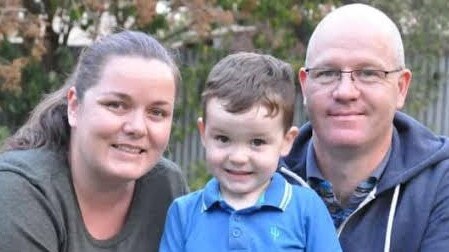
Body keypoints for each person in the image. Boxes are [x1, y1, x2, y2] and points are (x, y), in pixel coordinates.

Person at [278, 3, 449, 252]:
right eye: (328, 73)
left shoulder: (440, 185)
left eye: (368, 73)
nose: (345, 92)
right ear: (305, 87)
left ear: (401, 88)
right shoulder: (261, 175)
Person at [0, 30, 188, 251]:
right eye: (116, 105)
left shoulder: (166, 186)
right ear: (74, 106)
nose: (137, 127)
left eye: (157, 112)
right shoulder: (20, 190)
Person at [159, 52, 342, 251]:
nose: (238, 157)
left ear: (286, 141)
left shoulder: (307, 209)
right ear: (204, 134)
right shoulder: (183, 214)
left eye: (257, 142)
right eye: (223, 139)